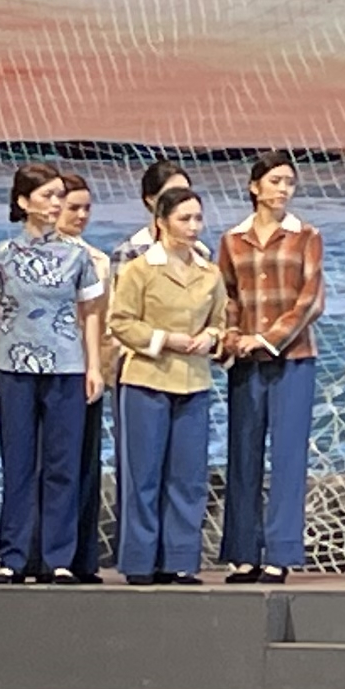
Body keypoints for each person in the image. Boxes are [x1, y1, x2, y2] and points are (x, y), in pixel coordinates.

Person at [0, 162, 108, 584]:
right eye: (47, 196)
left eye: (59, 196)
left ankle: (59, 558)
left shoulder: (78, 256)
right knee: (18, 464)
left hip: (67, 368)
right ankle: (13, 558)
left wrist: (94, 367)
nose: (56, 204)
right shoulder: (0, 255)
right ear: (23, 201)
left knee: (62, 465)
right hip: (14, 370)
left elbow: (90, 314)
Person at [105, 180, 227, 586]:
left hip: (193, 383)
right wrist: (164, 340)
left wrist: (210, 337)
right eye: (184, 219)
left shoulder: (209, 272)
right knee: (143, 475)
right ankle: (140, 561)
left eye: (197, 219)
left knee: (188, 478)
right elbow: (121, 322)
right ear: (161, 221)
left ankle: (180, 560)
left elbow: (221, 321)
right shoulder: (140, 269)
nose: (193, 226)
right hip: (146, 380)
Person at [216, 154, 327, 584]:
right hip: (245, 364)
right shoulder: (232, 240)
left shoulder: (306, 236)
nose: (283, 189)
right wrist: (231, 337)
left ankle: (280, 553)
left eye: (289, 183)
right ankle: (243, 552)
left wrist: (265, 339)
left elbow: (311, 300)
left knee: (287, 456)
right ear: (254, 187)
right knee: (243, 454)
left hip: (293, 359)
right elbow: (227, 297)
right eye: (276, 181)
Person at [55, 175, 115, 580]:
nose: (80, 215)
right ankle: (46, 553)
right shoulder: (30, 256)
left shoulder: (98, 260)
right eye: (72, 207)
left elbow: (104, 324)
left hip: (86, 372)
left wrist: (100, 371)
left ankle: (82, 556)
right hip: (46, 372)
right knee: (50, 464)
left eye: (86, 208)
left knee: (85, 463)